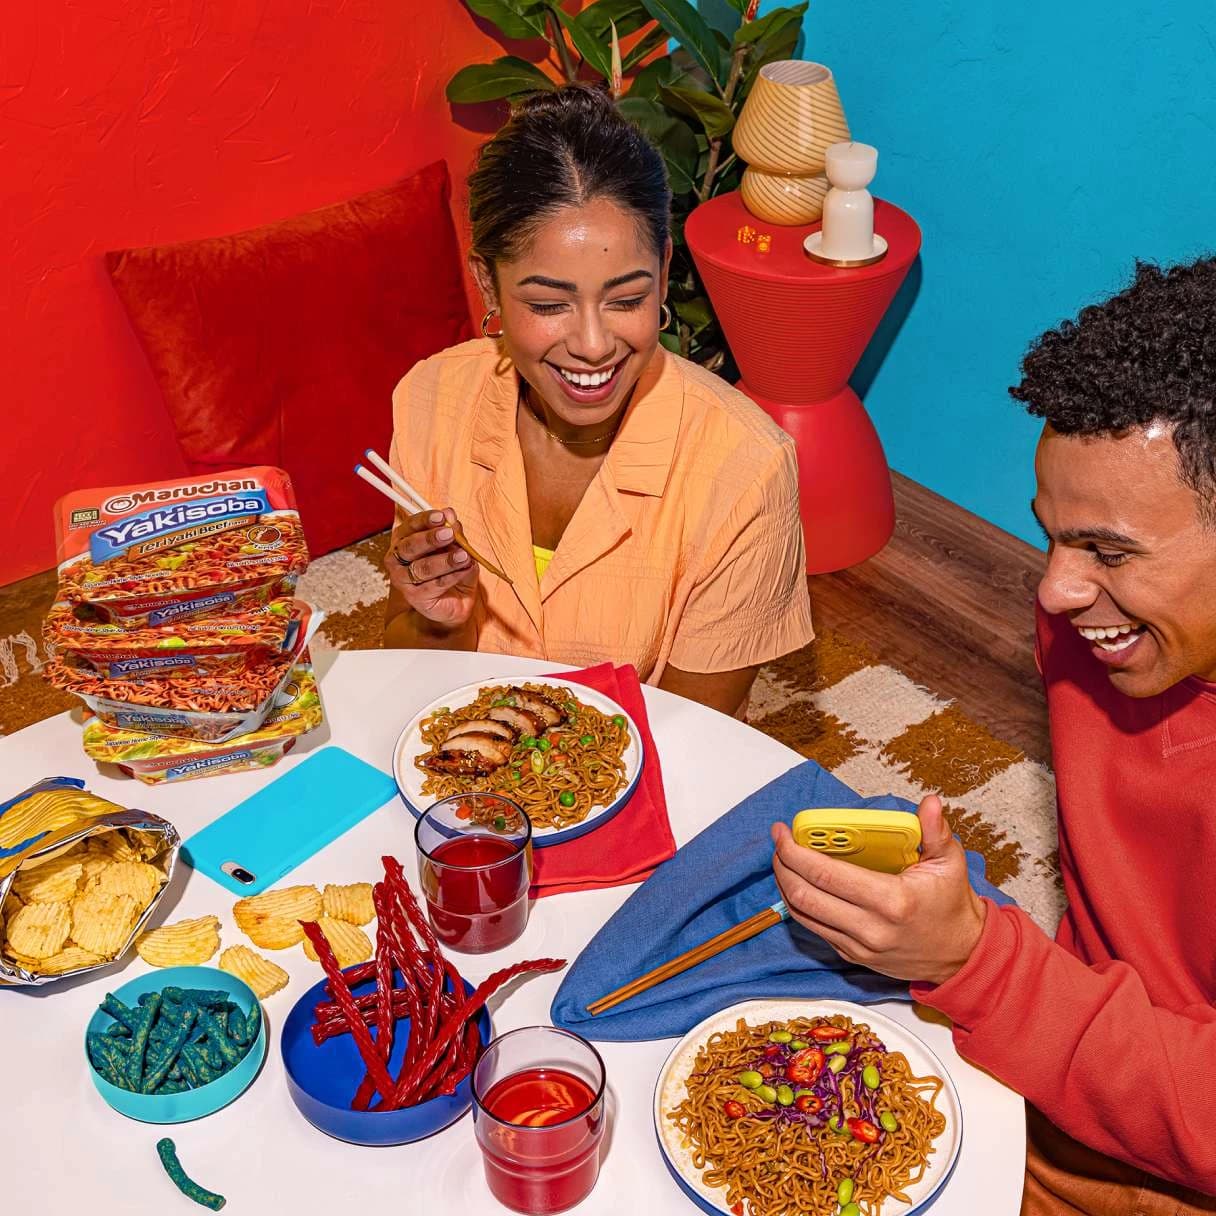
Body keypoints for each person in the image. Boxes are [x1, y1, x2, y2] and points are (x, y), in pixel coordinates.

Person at [770, 257, 1216, 1210]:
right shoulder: (1094, 626)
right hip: (1076, 1055)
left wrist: (981, 963)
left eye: (1107, 550)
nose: (1052, 591)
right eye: (1052, 535)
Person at [382, 85, 813, 716]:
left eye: (627, 299)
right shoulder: (432, 399)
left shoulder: (744, 469)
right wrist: (438, 621)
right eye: (549, 305)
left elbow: (695, 740)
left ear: (664, 271)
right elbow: (407, 662)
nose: (592, 345)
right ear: (487, 284)